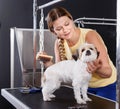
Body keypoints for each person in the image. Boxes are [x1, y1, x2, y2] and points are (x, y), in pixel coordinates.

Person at [36, 7, 116, 101]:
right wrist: (47, 63)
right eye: (59, 28)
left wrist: (96, 68)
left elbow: (108, 73)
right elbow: (62, 73)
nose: (65, 30)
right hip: (84, 86)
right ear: (54, 32)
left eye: (67, 24)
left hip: (106, 86)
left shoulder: (90, 35)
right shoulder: (58, 43)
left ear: (72, 20)